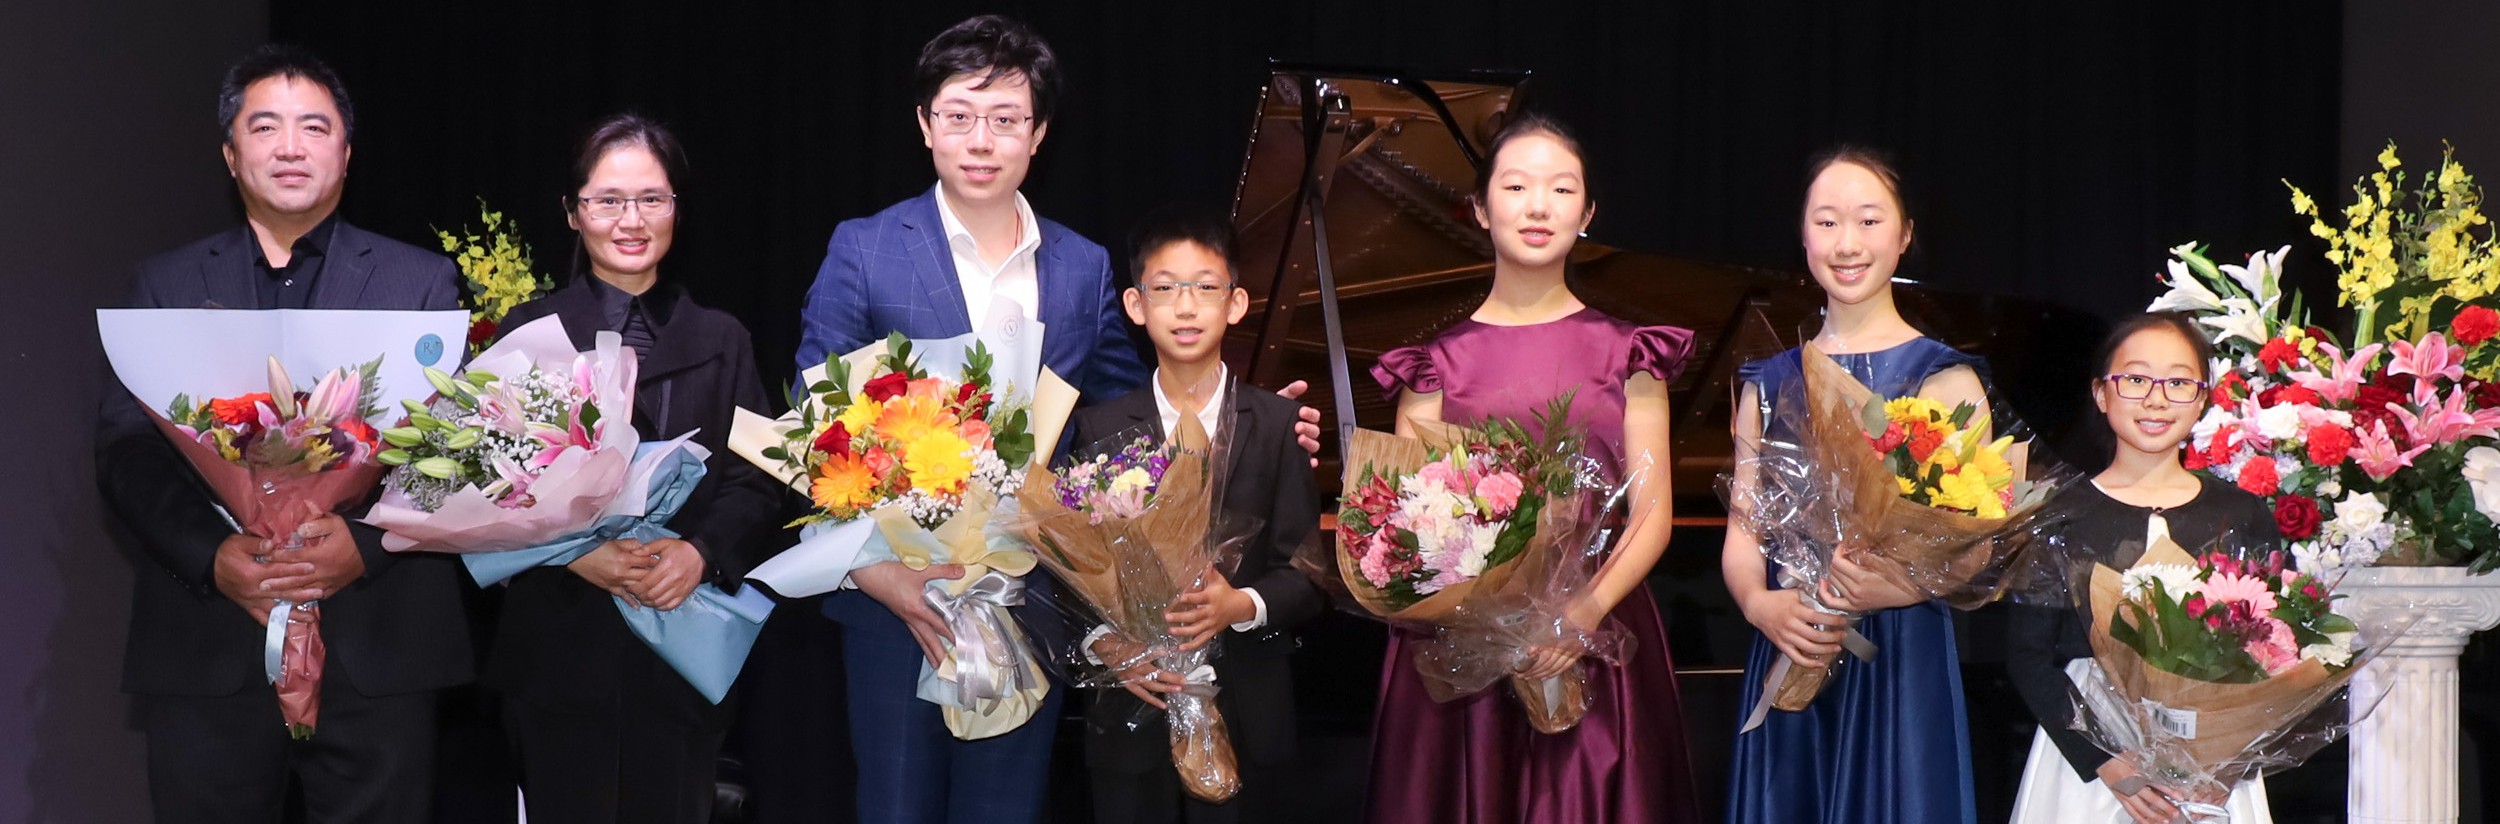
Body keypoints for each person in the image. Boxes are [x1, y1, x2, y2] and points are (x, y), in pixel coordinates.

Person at [789, 15, 1319, 822]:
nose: (981, 140)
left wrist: (1257, 429)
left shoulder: (1080, 266)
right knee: (896, 808)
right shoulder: (866, 248)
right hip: (899, 600)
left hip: (1032, 597)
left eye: (1006, 119)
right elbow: (811, 422)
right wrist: (875, 574)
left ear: (1038, 134)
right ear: (925, 124)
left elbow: (1128, 425)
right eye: (959, 116)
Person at [92, 44, 469, 823]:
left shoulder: (421, 281)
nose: (290, 147)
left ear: (346, 153)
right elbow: (126, 452)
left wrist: (365, 545)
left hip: (376, 645)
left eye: (314, 127)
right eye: (265, 127)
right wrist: (214, 556)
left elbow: (452, 447)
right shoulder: (165, 285)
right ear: (231, 155)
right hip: (209, 644)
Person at [1366, 113, 1703, 824]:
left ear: (1588, 214)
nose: (1539, 205)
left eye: (1561, 189)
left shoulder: (1631, 355)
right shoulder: (1431, 368)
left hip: (1596, 634)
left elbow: (1651, 515)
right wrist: (1489, 618)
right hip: (1462, 652)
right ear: (1481, 209)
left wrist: (1578, 618)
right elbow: (1410, 533)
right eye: (1516, 187)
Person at [483, 114, 782, 824]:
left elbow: (759, 477)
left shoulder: (723, 338)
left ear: (677, 207)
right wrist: (574, 553)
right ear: (572, 212)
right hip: (559, 642)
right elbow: (487, 476)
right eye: (608, 200)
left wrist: (700, 552)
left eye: (652, 198)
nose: (631, 219)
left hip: (682, 636)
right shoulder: (530, 332)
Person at [1720, 147, 1986, 824]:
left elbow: (1978, 545)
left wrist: (1896, 587)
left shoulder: (1945, 378)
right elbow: (1744, 532)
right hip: (1793, 638)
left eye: (1869, 221)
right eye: (1827, 221)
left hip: (1901, 656)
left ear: (1904, 235)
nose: (1847, 243)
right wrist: (1759, 604)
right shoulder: (1767, 384)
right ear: (1804, 236)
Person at [1068, 209, 1325, 824]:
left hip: (1249, 708)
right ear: (1135, 305)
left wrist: (1240, 605)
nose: (1186, 306)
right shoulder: (1098, 426)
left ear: (1236, 303)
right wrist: (1107, 643)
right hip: (1134, 700)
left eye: (1206, 287)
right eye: (1165, 288)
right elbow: (1070, 570)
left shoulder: (1280, 424)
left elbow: (1310, 572)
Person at [2006, 314, 2278, 824]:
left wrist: (2230, 763)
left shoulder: (2242, 513)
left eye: (2178, 382)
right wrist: (2105, 760)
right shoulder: (2059, 513)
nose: (2156, 399)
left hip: (2214, 762)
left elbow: (2272, 652)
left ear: (2202, 398)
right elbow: (2027, 656)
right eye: (2135, 379)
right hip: (2093, 754)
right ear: (2101, 393)